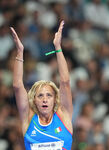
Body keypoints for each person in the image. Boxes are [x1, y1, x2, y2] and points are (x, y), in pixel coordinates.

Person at [11, 20, 73, 150]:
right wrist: (20, 52)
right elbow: (17, 85)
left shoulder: (64, 115)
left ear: (55, 98)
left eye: (49, 95)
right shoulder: (28, 118)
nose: (45, 99)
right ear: (34, 99)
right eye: (40, 95)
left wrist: (58, 48)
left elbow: (65, 82)